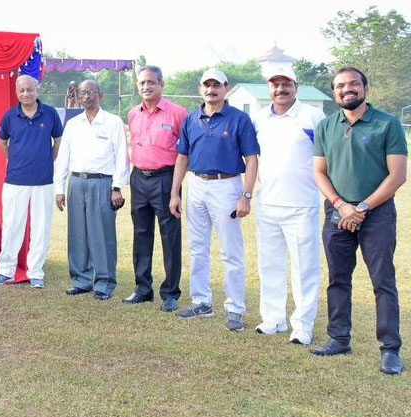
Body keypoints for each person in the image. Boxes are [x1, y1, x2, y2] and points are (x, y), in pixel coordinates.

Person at [311, 66, 406, 376]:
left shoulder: (387, 125)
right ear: (334, 92)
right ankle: (338, 338)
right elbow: (319, 172)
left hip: (376, 214)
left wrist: (361, 207)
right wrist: (341, 205)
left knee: (383, 282)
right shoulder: (326, 126)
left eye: (353, 84)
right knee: (338, 279)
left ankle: (390, 349)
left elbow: (398, 175)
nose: (347, 89)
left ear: (366, 88)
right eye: (340, 85)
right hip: (337, 213)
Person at [169, 68, 259, 332]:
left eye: (216, 85)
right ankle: (201, 302)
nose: (211, 90)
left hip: (227, 185)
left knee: (231, 251)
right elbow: (182, 157)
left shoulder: (239, 119)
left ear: (226, 88)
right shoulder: (191, 119)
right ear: (200, 89)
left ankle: (235, 308)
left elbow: (252, 159)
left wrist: (246, 195)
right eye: (206, 85)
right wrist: (175, 192)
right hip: (196, 184)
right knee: (197, 248)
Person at [250, 67, 324, 345]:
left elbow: (327, 155)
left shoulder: (313, 117)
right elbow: (252, 158)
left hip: (302, 204)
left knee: (305, 268)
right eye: (275, 84)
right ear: (268, 88)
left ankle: (302, 325)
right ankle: (273, 318)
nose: (280, 89)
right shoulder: (258, 119)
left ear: (296, 86)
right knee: (269, 265)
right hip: (267, 203)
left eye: (286, 84)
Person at [55, 79, 129, 300]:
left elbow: (122, 158)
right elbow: (64, 158)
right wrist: (59, 188)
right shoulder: (73, 124)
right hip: (77, 182)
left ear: (100, 95)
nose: (86, 97)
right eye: (82, 93)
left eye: (91, 92)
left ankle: (104, 283)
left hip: (102, 183)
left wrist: (116, 188)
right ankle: (81, 280)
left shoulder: (113, 122)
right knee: (78, 234)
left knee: (102, 234)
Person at [0, 74, 63, 289]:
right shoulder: (10, 116)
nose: (26, 94)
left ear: (37, 90)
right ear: (16, 93)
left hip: (42, 180)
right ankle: (5, 270)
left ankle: (36, 273)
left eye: (30, 90)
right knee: (12, 226)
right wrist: (16, 160)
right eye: (21, 90)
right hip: (15, 180)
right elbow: (2, 142)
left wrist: (46, 161)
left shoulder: (49, 113)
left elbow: (58, 141)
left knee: (41, 227)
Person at [125, 66, 187, 311]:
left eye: (151, 82)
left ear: (162, 84)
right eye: (141, 83)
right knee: (141, 235)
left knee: (170, 237)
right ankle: (142, 288)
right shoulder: (133, 114)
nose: (146, 87)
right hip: (139, 177)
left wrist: (175, 189)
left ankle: (170, 293)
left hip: (166, 178)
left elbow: (185, 152)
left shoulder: (178, 114)